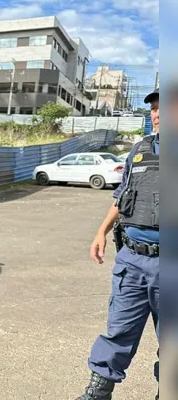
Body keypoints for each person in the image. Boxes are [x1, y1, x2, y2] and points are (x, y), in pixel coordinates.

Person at [77, 88, 160, 400]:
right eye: (153, 109)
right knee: (118, 330)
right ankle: (98, 391)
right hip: (133, 260)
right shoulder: (139, 150)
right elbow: (121, 196)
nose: (157, 114)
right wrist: (101, 231)